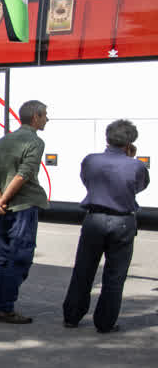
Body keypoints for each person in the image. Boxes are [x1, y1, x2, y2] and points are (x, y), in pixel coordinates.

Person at [62, 119, 150, 333]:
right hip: (123, 221)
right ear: (130, 142)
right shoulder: (136, 165)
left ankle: (72, 316)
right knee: (115, 275)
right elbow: (139, 186)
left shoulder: (91, 160)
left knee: (83, 269)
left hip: (94, 218)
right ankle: (105, 322)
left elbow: (86, 181)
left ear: (107, 138)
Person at [0, 100, 51, 324]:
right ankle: (5, 307)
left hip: (3, 209)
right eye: (45, 116)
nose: (46, 120)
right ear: (36, 117)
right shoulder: (35, 142)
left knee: (3, 257)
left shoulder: (3, 140)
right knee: (19, 258)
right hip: (23, 207)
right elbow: (23, 175)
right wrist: (2, 199)